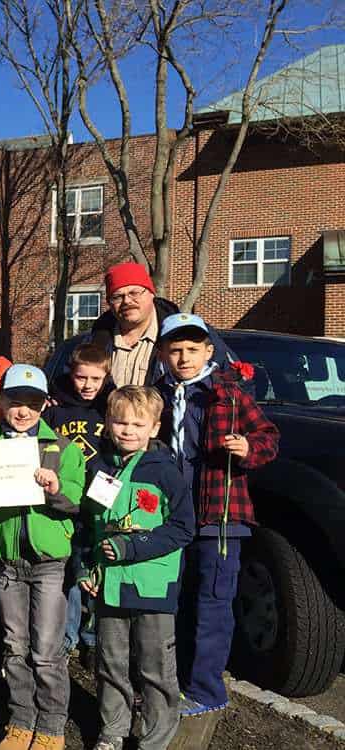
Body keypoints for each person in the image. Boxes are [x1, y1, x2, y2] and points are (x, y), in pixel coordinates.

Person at [0, 365, 85, 750]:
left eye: (32, 403)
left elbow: (76, 501)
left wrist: (56, 488)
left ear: (45, 405)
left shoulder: (63, 449)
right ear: (1, 401)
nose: (23, 411)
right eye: (15, 401)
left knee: (47, 651)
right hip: (7, 563)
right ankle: (21, 721)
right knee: (15, 646)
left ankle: (52, 727)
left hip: (48, 564)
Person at [154, 313, 279, 717]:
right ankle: (170, 683)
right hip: (168, 518)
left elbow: (268, 437)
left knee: (212, 603)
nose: (184, 358)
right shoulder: (156, 395)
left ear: (209, 351)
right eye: (175, 350)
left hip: (219, 516)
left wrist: (248, 448)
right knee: (171, 602)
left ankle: (207, 691)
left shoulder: (230, 394)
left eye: (193, 350)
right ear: (162, 353)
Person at [78, 386, 195, 750]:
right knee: (110, 662)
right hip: (109, 585)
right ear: (108, 422)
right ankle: (113, 729)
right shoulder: (99, 467)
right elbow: (87, 525)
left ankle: (154, 738)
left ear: (154, 428)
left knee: (154, 666)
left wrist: (131, 546)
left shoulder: (165, 473)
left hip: (152, 586)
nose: (128, 430)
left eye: (137, 424)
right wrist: (84, 568)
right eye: (120, 422)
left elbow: (183, 528)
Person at [44, 343, 115, 662]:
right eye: (81, 377)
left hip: (100, 493)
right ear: (70, 373)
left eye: (95, 379)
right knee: (70, 567)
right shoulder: (56, 407)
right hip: (66, 493)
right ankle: (68, 636)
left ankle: (93, 637)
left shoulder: (109, 406)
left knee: (96, 562)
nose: (87, 385)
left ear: (106, 377)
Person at [88, 262, 235, 387]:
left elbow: (235, 383)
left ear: (151, 293)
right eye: (117, 297)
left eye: (134, 293)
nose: (127, 301)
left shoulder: (192, 334)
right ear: (109, 303)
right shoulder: (96, 341)